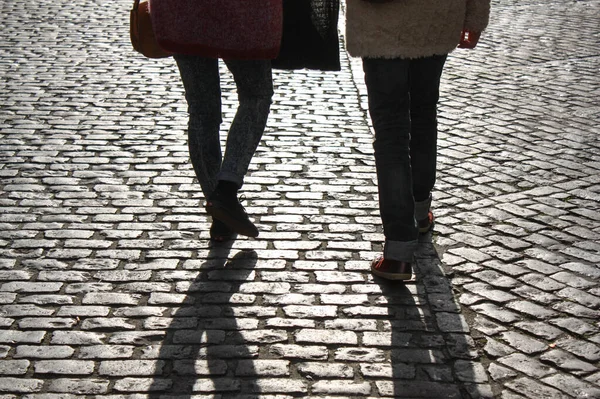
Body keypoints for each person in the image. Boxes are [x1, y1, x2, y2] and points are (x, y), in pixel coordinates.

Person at [345, 0, 491, 280]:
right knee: (423, 115)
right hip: (436, 15)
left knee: (391, 132)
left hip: (381, 20)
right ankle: (420, 211)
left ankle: (398, 253)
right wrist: (474, 18)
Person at [174, 56, 273, 241]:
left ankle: (220, 211)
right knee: (256, 95)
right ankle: (225, 192)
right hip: (241, 26)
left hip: (185, 27)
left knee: (202, 109)